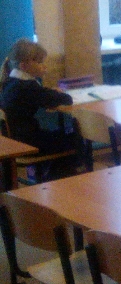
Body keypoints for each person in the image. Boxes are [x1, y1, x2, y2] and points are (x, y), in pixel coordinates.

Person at [0, 39, 80, 180]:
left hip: (16, 138)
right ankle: (56, 176)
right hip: (28, 142)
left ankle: (53, 173)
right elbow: (66, 99)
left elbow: (42, 95)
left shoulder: (10, 82)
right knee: (76, 138)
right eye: (40, 62)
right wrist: (56, 94)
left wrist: (50, 93)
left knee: (62, 135)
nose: (44, 66)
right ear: (24, 66)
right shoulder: (27, 87)